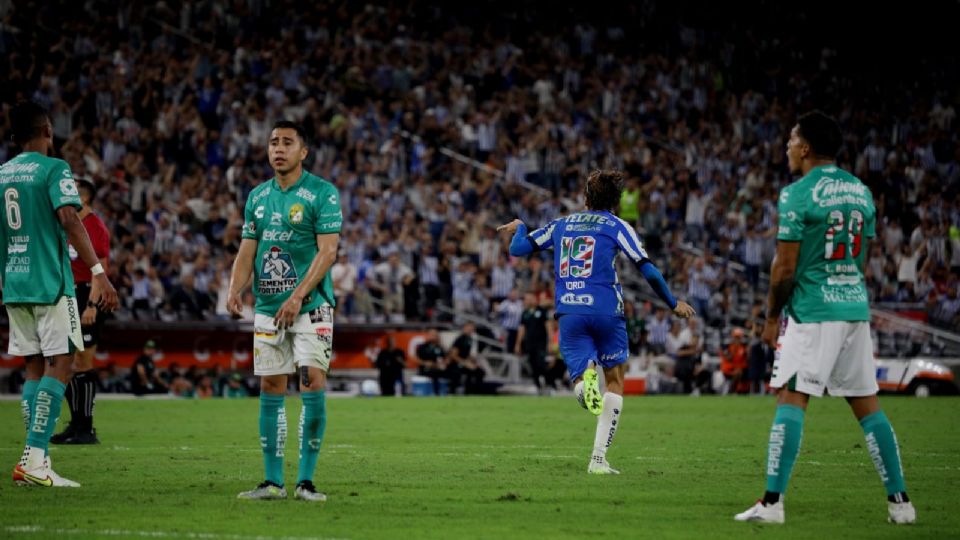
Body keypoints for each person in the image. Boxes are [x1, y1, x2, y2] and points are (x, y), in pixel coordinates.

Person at [735, 111, 915, 524]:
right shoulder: (861, 192)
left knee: (791, 397)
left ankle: (772, 503)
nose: (786, 149)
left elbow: (783, 268)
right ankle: (901, 503)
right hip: (853, 306)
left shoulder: (797, 194)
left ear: (806, 148)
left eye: (790, 142)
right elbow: (861, 256)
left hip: (813, 310)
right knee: (868, 406)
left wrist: (769, 317)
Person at [499, 169, 695, 474]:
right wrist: (673, 302)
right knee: (615, 382)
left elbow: (518, 249)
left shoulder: (561, 225)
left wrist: (521, 227)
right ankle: (598, 459)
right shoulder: (618, 226)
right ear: (615, 202)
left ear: (585, 197)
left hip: (570, 312)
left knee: (581, 377)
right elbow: (649, 271)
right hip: (607, 311)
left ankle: (582, 386)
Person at [2, 101, 119, 487]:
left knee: (34, 367)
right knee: (63, 363)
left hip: (14, 282)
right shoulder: (54, 169)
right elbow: (69, 218)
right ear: (47, 130)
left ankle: (34, 459)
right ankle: (35, 459)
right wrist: (100, 274)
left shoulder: (2, 174)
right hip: (51, 281)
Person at [227, 120, 341, 502]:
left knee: (311, 382)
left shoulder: (322, 193)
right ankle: (273, 482)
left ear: (303, 152)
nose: (278, 148)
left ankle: (305, 482)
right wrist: (234, 288)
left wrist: (297, 297)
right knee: (271, 386)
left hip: (312, 308)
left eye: (287, 143)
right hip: (268, 309)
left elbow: (328, 252)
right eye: (273, 142)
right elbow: (248, 250)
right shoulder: (257, 197)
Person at [51, 176, 110, 445]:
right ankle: (76, 425)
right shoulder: (67, 224)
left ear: (83, 197)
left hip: (87, 294)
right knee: (69, 365)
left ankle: (87, 429)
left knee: (83, 363)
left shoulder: (94, 226)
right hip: (68, 293)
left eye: (71, 190)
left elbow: (101, 271)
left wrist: (92, 305)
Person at [515, 292, 553, 393]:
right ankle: (537, 385)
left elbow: (549, 327)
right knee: (532, 365)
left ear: (533, 299)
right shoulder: (525, 313)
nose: (525, 301)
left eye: (527, 299)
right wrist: (518, 344)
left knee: (541, 364)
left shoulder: (542, 311)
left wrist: (550, 342)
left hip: (541, 343)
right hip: (529, 343)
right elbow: (522, 329)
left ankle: (549, 384)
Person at [447, 322, 487, 394]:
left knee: (480, 372)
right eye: (469, 327)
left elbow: (472, 355)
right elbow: (453, 355)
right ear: (464, 328)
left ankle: (474, 392)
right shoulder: (460, 339)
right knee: (458, 373)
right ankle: (452, 392)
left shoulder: (473, 340)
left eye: (472, 328)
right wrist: (465, 363)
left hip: (468, 363)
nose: (470, 329)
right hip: (457, 363)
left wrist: (473, 363)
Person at [415, 329, 450, 395]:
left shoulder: (440, 347)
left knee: (453, 371)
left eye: (435, 335)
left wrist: (444, 362)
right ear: (428, 335)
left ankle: (451, 392)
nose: (434, 336)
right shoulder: (422, 346)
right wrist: (425, 363)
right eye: (432, 335)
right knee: (434, 372)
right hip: (426, 369)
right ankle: (436, 393)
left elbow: (445, 358)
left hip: (438, 368)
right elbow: (416, 359)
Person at [719, 327, 748, 395]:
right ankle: (730, 391)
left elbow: (744, 360)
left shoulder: (743, 347)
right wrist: (735, 348)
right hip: (728, 369)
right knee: (738, 373)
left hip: (738, 369)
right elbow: (728, 358)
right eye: (736, 337)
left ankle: (737, 391)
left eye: (739, 337)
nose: (737, 339)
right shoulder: (727, 346)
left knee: (740, 372)